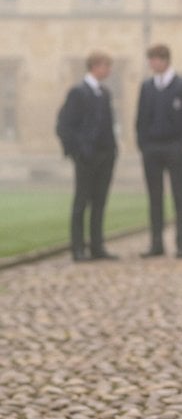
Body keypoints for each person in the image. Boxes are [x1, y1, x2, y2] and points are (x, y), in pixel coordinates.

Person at [135, 44, 182, 260]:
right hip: (152, 148)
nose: (152, 64)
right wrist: (143, 144)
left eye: (154, 59)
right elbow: (141, 118)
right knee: (155, 198)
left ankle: (181, 244)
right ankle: (156, 243)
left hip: (175, 147)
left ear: (165, 60)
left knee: (179, 197)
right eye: (150, 60)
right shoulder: (147, 86)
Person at [55, 51, 119, 263]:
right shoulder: (78, 92)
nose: (109, 71)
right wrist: (76, 152)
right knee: (81, 202)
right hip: (86, 156)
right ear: (95, 66)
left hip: (105, 155)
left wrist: (113, 150)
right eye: (106, 66)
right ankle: (78, 248)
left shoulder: (104, 93)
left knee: (99, 202)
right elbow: (64, 125)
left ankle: (97, 246)